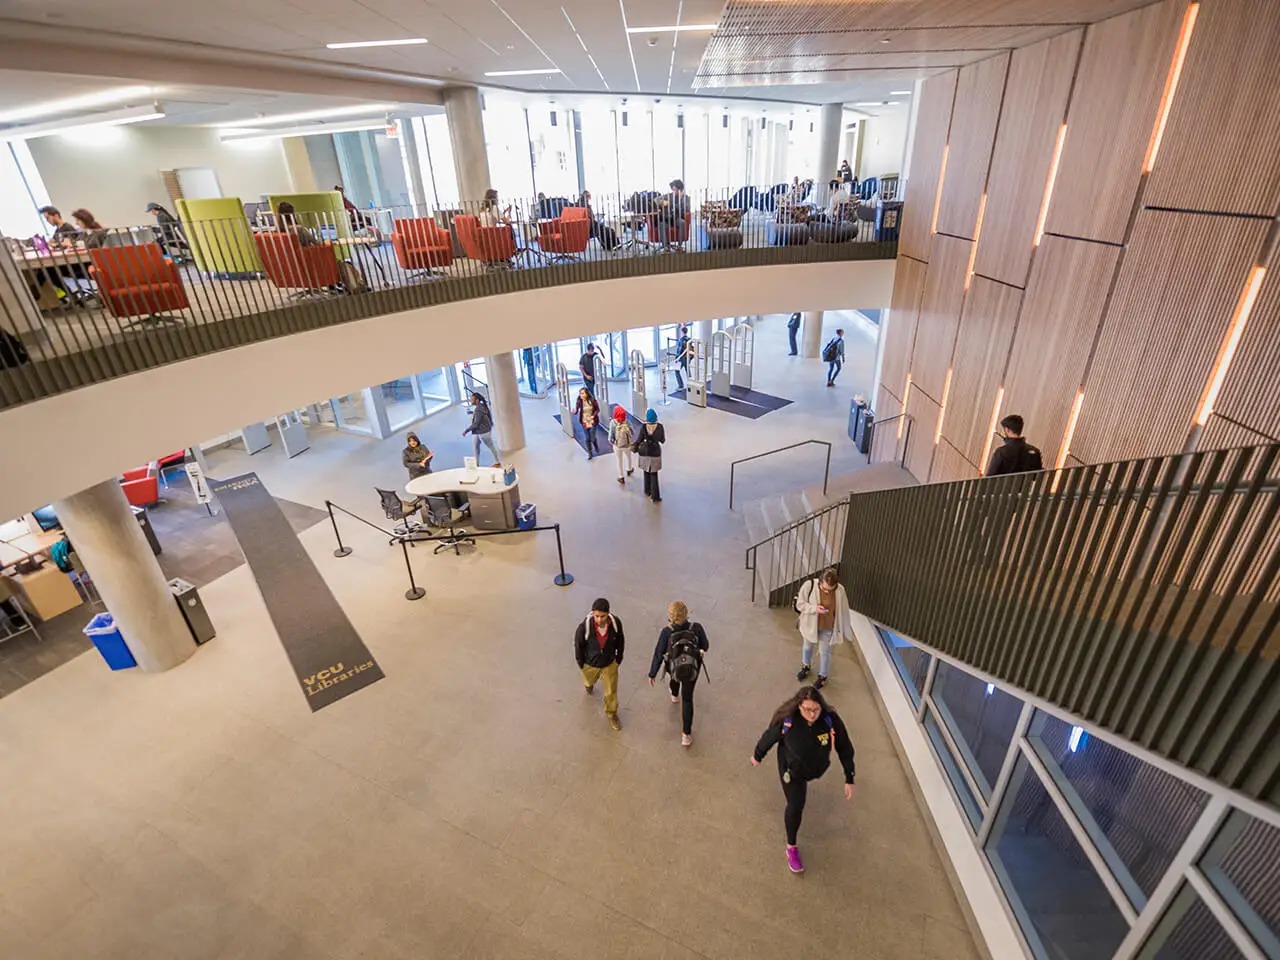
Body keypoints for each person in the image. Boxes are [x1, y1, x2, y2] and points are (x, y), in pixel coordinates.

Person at [751, 686, 856, 874]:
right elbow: (770, 737)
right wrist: (758, 755)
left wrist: (849, 776)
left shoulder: (830, 720)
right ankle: (791, 847)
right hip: (792, 771)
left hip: (814, 769)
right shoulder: (788, 722)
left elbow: (845, 747)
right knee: (796, 804)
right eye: (807, 709)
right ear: (799, 706)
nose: (812, 714)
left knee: (799, 799)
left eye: (816, 709)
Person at [647, 600, 709, 746]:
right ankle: (686, 735)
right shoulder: (696, 628)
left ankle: (674, 695)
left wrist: (652, 673)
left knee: (674, 678)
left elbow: (658, 653)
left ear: (671, 616)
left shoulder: (666, 632)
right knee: (687, 699)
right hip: (692, 669)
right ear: (686, 614)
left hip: (673, 666)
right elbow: (705, 645)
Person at [795, 567, 852, 689]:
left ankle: (823, 676)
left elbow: (843, 609)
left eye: (830, 590)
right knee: (807, 647)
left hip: (828, 627)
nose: (827, 591)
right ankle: (806, 666)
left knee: (825, 652)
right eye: (824, 588)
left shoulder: (840, 590)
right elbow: (800, 604)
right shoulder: (809, 585)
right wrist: (814, 609)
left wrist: (841, 627)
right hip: (810, 625)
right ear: (820, 582)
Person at [574, 598, 625, 731]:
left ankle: (612, 713)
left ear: (608, 614)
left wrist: (618, 658)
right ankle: (588, 684)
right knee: (589, 679)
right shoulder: (584, 627)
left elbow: (620, 640)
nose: (599, 619)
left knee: (610, 692)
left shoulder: (615, 624)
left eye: (602, 616)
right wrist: (581, 663)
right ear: (592, 613)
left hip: (609, 664)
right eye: (596, 616)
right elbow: (578, 646)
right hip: (590, 664)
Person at [635, 408, 665, 503]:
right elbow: (662, 440)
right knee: (654, 474)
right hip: (655, 452)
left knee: (646, 472)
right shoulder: (660, 427)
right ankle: (655, 497)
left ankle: (647, 491)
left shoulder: (643, 427)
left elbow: (639, 439)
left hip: (645, 452)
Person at [462, 392, 501, 466]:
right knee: (476, 448)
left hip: (482, 432)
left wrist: (466, 431)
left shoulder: (478, 410)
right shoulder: (482, 407)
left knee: (490, 446)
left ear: (477, 400)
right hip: (478, 432)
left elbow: (475, 424)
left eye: (472, 399)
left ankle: (497, 462)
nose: (471, 401)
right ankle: (476, 465)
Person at [655, 179, 690, 251]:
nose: (674, 192)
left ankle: (679, 246)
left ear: (680, 189)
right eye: (673, 190)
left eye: (676, 190)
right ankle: (665, 247)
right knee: (661, 224)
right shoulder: (668, 196)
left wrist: (672, 203)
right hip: (667, 218)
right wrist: (662, 202)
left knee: (682, 223)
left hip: (677, 218)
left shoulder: (685, 198)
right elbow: (656, 200)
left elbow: (686, 209)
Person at [608, 406, 635, 485]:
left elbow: (610, 435)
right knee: (628, 456)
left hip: (617, 445)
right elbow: (632, 431)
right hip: (626, 444)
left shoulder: (613, 422)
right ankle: (629, 469)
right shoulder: (627, 421)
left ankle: (621, 477)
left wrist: (612, 442)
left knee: (619, 460)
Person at [573, 387, 601, 460]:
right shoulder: (579, 401)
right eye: (580, 393)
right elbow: (576, 409)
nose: (581, 395)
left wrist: (593, 416)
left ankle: (595, 444)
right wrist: (575, 411)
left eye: (582, 393)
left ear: (586, 394)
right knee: (587, 438)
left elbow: (597, 409)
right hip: (584, 421)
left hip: (592, 421)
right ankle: (590, 453)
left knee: (592, 437)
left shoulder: (592, 400)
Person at [672, 324, 690, 390]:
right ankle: (691, 383)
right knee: (687, 370)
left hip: (682, 358)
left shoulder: (681, 340)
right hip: (687, 358)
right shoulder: (689, 339)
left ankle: (681, 385)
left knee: (676, 371)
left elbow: (679, 351)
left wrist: (677, 358)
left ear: (682, 332)